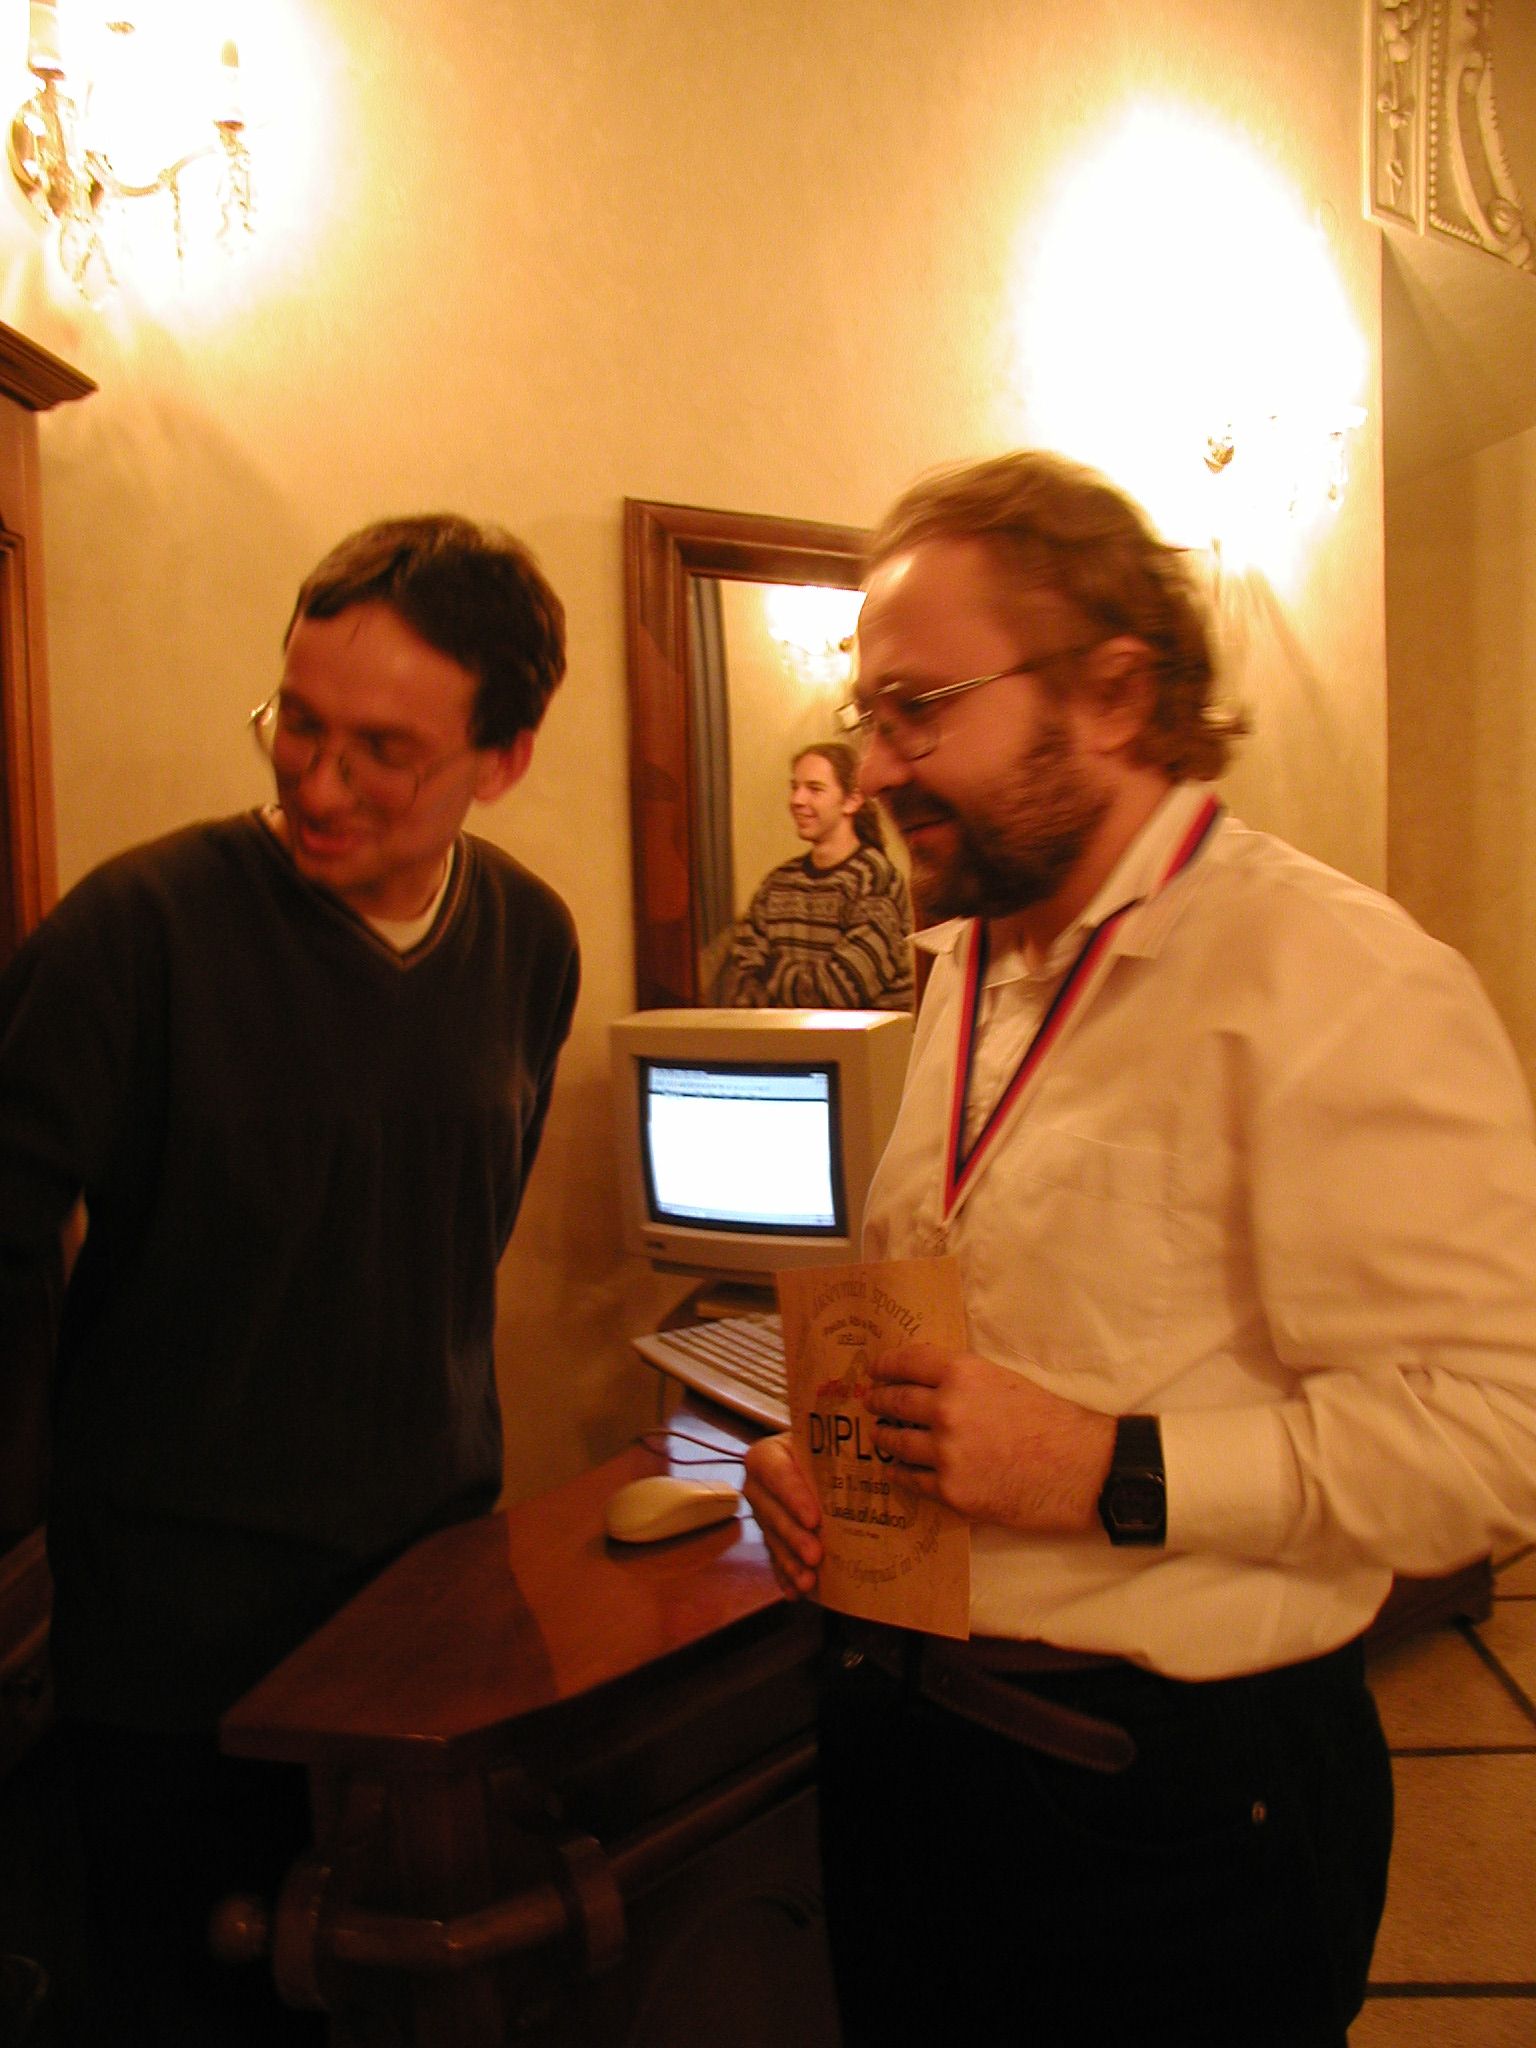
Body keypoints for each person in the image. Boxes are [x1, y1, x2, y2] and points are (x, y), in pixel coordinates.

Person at [743, 451, 1536, 2048]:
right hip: (912, 1754)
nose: (876, 765)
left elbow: (1499, 1437)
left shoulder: (1337, 977)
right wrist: (833, 1460)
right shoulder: (973, 957)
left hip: (1165, 1816)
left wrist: (1114, 1467)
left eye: (919, 710)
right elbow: (996, 1317)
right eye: (868, 713)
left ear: (1111, 693)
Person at [0, 514, 579, 2044]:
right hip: (168, 1644)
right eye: (298, 724)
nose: (318, 785)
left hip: (422, 1614)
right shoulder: (137, 931)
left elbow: (457, 1238)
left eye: (383, 752)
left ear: (503, 760)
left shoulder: (531, 940)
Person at [722, 742, 913, 1009]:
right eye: (795, 787)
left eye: (814, 789)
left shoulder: (876, 880)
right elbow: (739, 982)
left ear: (851, 801)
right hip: (782, 1037)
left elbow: (840, 991)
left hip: (857, 1038)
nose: (797, 800)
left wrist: (768, 969)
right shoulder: (777, 883)